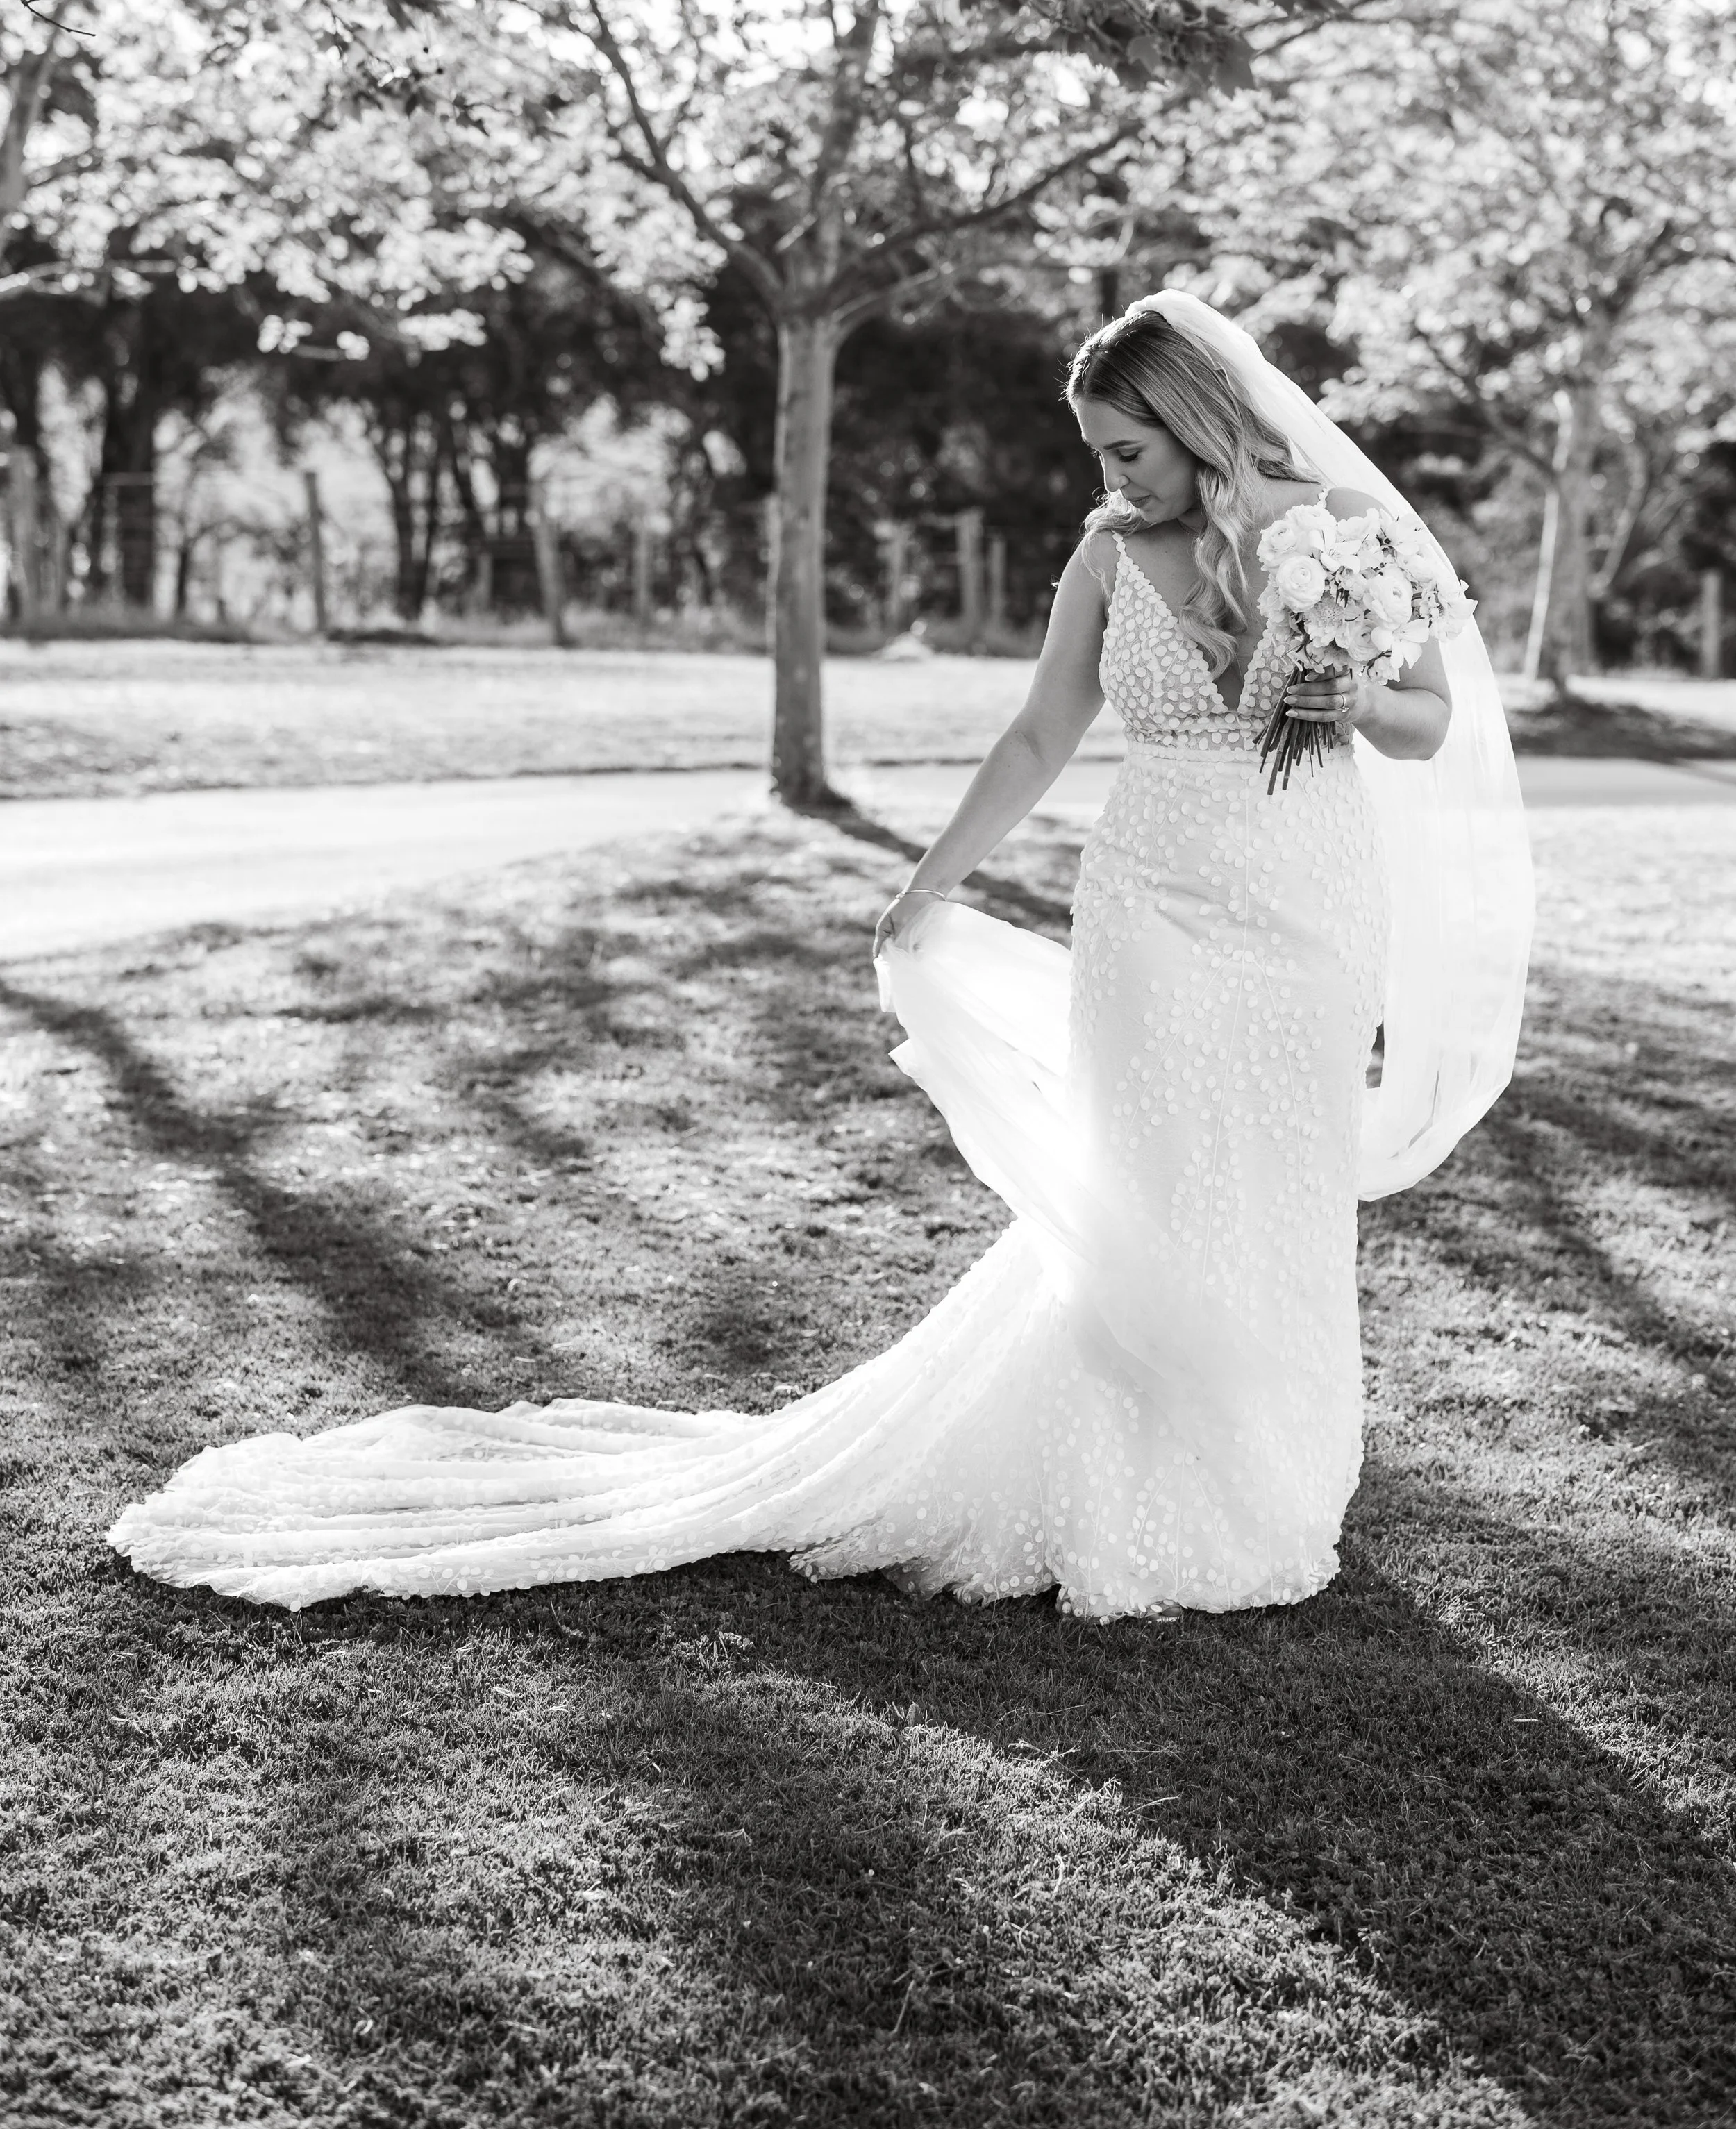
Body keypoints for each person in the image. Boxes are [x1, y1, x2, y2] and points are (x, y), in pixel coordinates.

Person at [109, 296, 1530, 1619]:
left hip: (1307, 904)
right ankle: (1122, 1477)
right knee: (1149, 1176)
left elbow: (1429, 722)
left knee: (1276, 1176)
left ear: (1201, 419)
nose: (1112, 477)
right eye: (1099, 452)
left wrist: (1352, 697)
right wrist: (929, 878)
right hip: (1152, 901)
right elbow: (1040, 732)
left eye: (1130, 449)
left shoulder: (1347, 531)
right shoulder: (1106, 557)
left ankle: (1261, 1466)